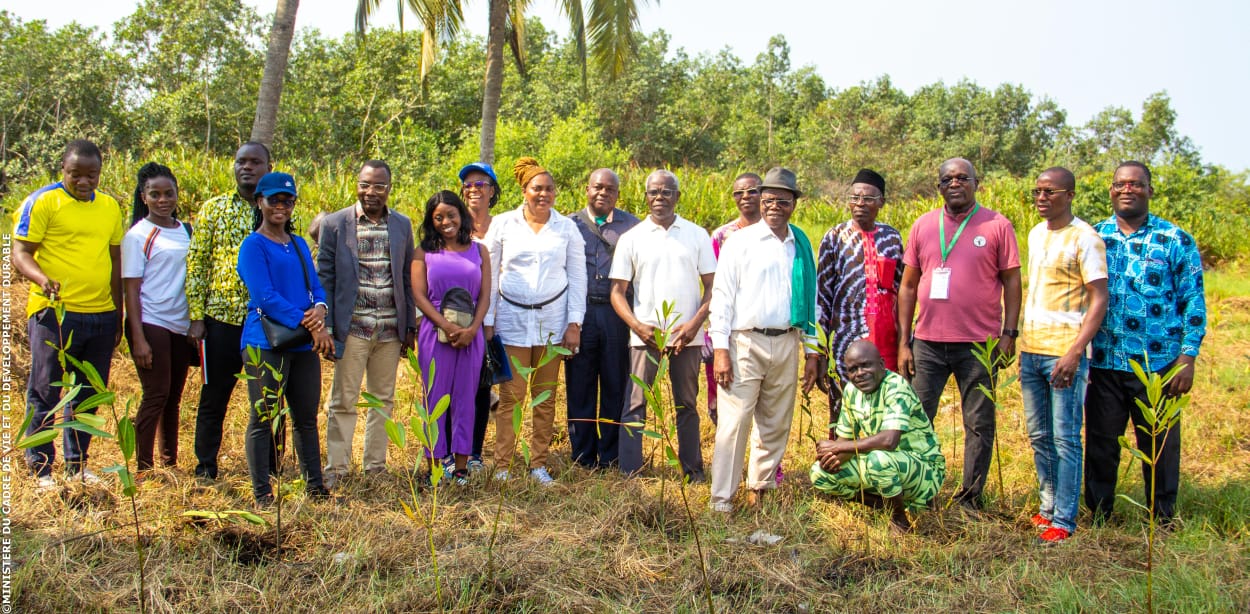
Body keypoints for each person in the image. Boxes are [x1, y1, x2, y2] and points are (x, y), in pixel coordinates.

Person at [1085, 161, 1206, 527]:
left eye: (1136, 184)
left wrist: (1188, 357)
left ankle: (1162, 518)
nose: (1127, 190)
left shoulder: (1175, 240)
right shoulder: (1094, 237)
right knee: (1102, 443)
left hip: (1159, 364)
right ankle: (1100, 515)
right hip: (1105, 361)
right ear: (1111, 190)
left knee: (1161, 444)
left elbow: (1193, 302)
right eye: (1120, 184)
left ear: (1149, 191)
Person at [897, 157, 1021, 511]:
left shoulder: (997, 225)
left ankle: (970, 499)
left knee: (979, 423)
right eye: (947, 179)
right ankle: (922, 491)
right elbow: (908, 287)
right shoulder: (923, 226)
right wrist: (905, 342)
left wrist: (1009, 334)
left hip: (979, 345)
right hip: (928, 343)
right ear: (939, 186)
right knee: (917, 419)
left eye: (962, 177)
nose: (955, 183)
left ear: (975, 183)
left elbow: (1012, 280)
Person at [708, 167, 820, 512]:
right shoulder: (739, 242)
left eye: (782, 201)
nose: (774, 207)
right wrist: (721, 350)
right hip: (745, 342)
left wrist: (812, 351)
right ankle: (722, 500)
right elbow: (722, 298)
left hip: (786, 341)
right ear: (760, 201)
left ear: (793, 204)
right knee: (734, 423)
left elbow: (810, 299)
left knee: (775, 421)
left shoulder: (799, 243)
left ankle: (760, 488)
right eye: (768, 200)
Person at [13, 139, 124, 489]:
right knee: (46, 389)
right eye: (75, 174)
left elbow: (115, 262)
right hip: (55, 314)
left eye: (91, 175)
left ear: (99, 173)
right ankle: (41, 468)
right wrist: (42, 279)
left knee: (89, 392)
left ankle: (77, 465)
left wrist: (118, 313)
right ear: (63, 169)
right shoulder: (43, 201)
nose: (84, 181)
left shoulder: (109, 207)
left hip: (100, 315)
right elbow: (20, 253)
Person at [186, 142, 293, 482]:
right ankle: (205, 466)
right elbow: (197, 263)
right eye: (240, 162)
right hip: (223, 322)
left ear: (268, 167)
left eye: (255, 162)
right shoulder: (214, 209)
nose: (246, 167)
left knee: (270, 401)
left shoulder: (282, 211)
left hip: (268, 326)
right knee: (213, 397)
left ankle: (271, 468)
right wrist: (197, 316)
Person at [1018, 167, 1108, 543]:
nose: (1041, 198)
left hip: (1064, 354)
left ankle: (1064, 520)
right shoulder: (1036, 233)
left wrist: (1074, 353)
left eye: (1050, 192)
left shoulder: (1086, 239)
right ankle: (1047, 509)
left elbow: (1099, 299)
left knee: (1065, 438)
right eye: (1037, 191)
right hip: (1031, 349)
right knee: (1039, 435)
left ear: (1069, 195)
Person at [483, 157, 587, 485]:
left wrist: (574, 323)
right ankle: (502, 466)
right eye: (537, 188)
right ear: (524, 191)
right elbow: (488, 273)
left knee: (545, 397)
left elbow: (578, 277)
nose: (544, 194)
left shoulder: (567, 228)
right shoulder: (502, 224)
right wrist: (487, 319)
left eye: (549, 189)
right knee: (511, 396)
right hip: (511, 322)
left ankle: (538, 463)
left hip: (552, 324)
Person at [318, 160, 417, 488]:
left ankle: (375, 467)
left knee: (382, 399)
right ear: (356, 184)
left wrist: (409, 327)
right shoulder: (335, 224)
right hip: (353, 327)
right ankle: (337, 470)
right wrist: (329, 328)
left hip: (389, 328)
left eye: (378, 186)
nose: (370, 192)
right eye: (365, 184)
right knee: (343, 400)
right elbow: (326, 279)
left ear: (389, 188)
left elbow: (405, 276)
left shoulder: (402, 225)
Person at [236, 172, 333, 505]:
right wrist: (310, 324)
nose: (281, 206)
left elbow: (316, 287)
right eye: (274, 200)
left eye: (287, 200)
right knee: (263, 417)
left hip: (303, 343)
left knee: (306, 417)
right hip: (266, 343)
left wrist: (320, 309)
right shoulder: (253, 245)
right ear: (259, 202)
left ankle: (316, 488)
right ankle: (262, 493)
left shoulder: (299, 244)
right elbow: (264, 296)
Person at [610, 170, 714, 480]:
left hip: (687, 336)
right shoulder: (632, 238)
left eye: (666, 192)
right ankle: (630, 471)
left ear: (677, 197)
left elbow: (713, 287)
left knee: (686, 404)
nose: (660, 197)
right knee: (635, 403)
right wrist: (639, 327)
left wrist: (695, 325)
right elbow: (617, 292)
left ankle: (692, 471)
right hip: (646, 335)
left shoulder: (697, 235)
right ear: (645, 196)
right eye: (653, 192)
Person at [811, 341, 946, 532]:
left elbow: (889, 441)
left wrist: (837, 448)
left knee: (879, 460)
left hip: (924, 468)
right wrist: (831, 459)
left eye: (866, 365)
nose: (860, 373)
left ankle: (899, 519)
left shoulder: (896, 387)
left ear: (881, 365)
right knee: (819, 473)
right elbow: (845, 440)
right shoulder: (851, 391)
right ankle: (885, 505)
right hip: (887, 464)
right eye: (853, 369)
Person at [412, 191, 491, 484]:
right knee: (435, 398)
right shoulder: (424, 252)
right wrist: (444, 325)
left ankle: (460, 467)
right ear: (431, 222)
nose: (446, 222)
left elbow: (485, 296)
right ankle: (434, 467)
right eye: (438, 217)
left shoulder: (479, 251)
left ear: (462, 215)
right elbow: (419, 296)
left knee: (465, 399)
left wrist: (473, 330)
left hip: (471, 335)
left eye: (451, 215)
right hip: (435, 334)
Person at [816, 168, 904, 428]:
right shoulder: (834, 237)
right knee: (843, 404)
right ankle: (842, 462)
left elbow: (901, 291)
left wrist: (904, 341)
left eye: (868, 198)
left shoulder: (893, 237)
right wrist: (819, 352)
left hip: (886, 338)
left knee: (886, 403)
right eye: (854, 198)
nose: (860, 204)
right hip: (846, 337)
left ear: (881, 202)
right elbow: (823, 297)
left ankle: (881, 462)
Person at [122, 162, 195, 474]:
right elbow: (131, 289)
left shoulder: (186, 230)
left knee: (173, 399)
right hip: (151, 322)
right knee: (156, 395)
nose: (163, 200)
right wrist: (138, 338)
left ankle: (169, 464)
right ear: (144, 196)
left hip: (181, 324)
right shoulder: (138, 235)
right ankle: (143, 468)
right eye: (155, 194)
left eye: (169, 193)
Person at [566, 168, 639, 470]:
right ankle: (582, 456)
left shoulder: (632, 226)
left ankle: (611, 455)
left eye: (610, 189)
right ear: (587, 189)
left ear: (617, 194)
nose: (603, 193)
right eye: (598, 187)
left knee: (614, 384)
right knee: (579, 385)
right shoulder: (569, 225)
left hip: (616, 314)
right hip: (580, 313)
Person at [705, 172, 763, 425]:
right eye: (739, 192)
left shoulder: (775, 232)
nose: (746, 197)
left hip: (763, 327)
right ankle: (729, 460)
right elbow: (714, 285)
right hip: (727, 326)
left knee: (765, 403)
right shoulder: (721, 236)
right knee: (723, 397)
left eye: (752, 191)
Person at [459, 161, 501, 473]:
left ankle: (474, 451)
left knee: (482, 387)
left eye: (481, 185)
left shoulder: (505, 225)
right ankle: (449, 449)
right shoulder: (451, 223)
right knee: (455, 386)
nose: (474, 190)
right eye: (469, 185)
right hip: (458, 318)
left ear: (493, 191)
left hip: (495, 319)